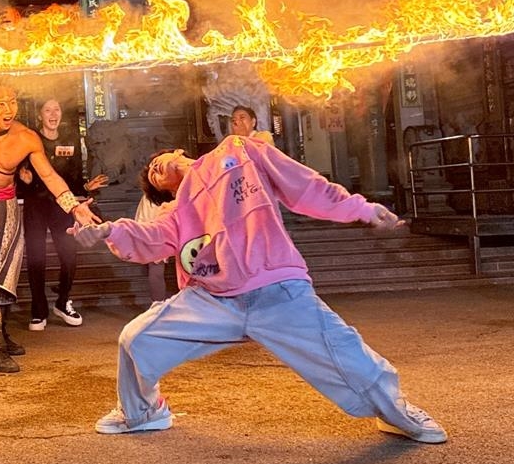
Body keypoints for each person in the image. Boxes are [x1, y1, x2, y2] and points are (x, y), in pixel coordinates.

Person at [70, 136, 447, 443]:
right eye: (153, 178)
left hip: (276, 287)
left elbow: (303, 185)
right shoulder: (177, 212)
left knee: (346, 351)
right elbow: (149, 237)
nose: (155, 170)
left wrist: (360, 209)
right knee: (136, 338)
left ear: (179, 152)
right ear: (163, 191)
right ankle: (143, 413)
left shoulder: (239, 150)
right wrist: (108, 231)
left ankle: (396, 412)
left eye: (157, 162)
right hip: (214, 300)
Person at [0, 80, 98, 374]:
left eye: (11, 102)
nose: (8, 109)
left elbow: (49, 176)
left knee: (4, 274)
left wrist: (74, 206)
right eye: (0, 104)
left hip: (8, 208)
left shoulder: (26, 138)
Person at [18, 98, 109, 330]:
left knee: (69, 255)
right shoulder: (31, 140)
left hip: (62, 207)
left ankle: (63, 301)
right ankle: (38, 310)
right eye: (47, 110)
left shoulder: (70, 140)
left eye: (56, 109)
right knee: (36, 257)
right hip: (35, 206)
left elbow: (74, 179)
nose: (53, 114)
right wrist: (25, 182)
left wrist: (86, 188)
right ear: (40, 115)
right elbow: (21, 178)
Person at [133, 193, 173, 304]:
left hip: (159, 234)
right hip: (159, 234)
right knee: (157, 269)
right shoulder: (150, 196)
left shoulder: (150, 195)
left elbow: (141, 219)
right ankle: (159, 304)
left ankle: (159, 305)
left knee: (157, 269)